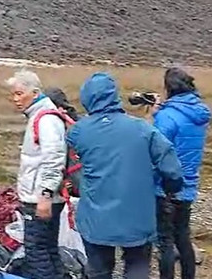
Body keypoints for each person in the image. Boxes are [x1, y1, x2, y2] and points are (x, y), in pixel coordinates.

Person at [66, 72, 184, 279]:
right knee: (137, 266)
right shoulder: (143, 129)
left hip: (96, 216)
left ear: (87, 99)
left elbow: (66, 164)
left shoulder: (79, 131)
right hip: (138, 214)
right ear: (114, 96)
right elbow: (171, 165)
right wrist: (171, 187)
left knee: (99, 270)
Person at [7, 70, 67, 279]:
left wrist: (45, 195)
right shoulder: (41, 116)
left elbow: (53, 159)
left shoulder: (45, 120)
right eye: (13, 94)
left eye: (19, 94)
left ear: (35, 93)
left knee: (36, 252)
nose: (15, 99)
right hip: (43, 196)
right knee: (48, 248)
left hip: (40, 198)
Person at [152, 68, 210, 279]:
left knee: (165, 242)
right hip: (189, 183)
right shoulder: (200, 113)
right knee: (183, 237)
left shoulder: (167, 116)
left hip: (165, 186)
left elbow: (157, 149)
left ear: (169, 88)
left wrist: (157, 115)